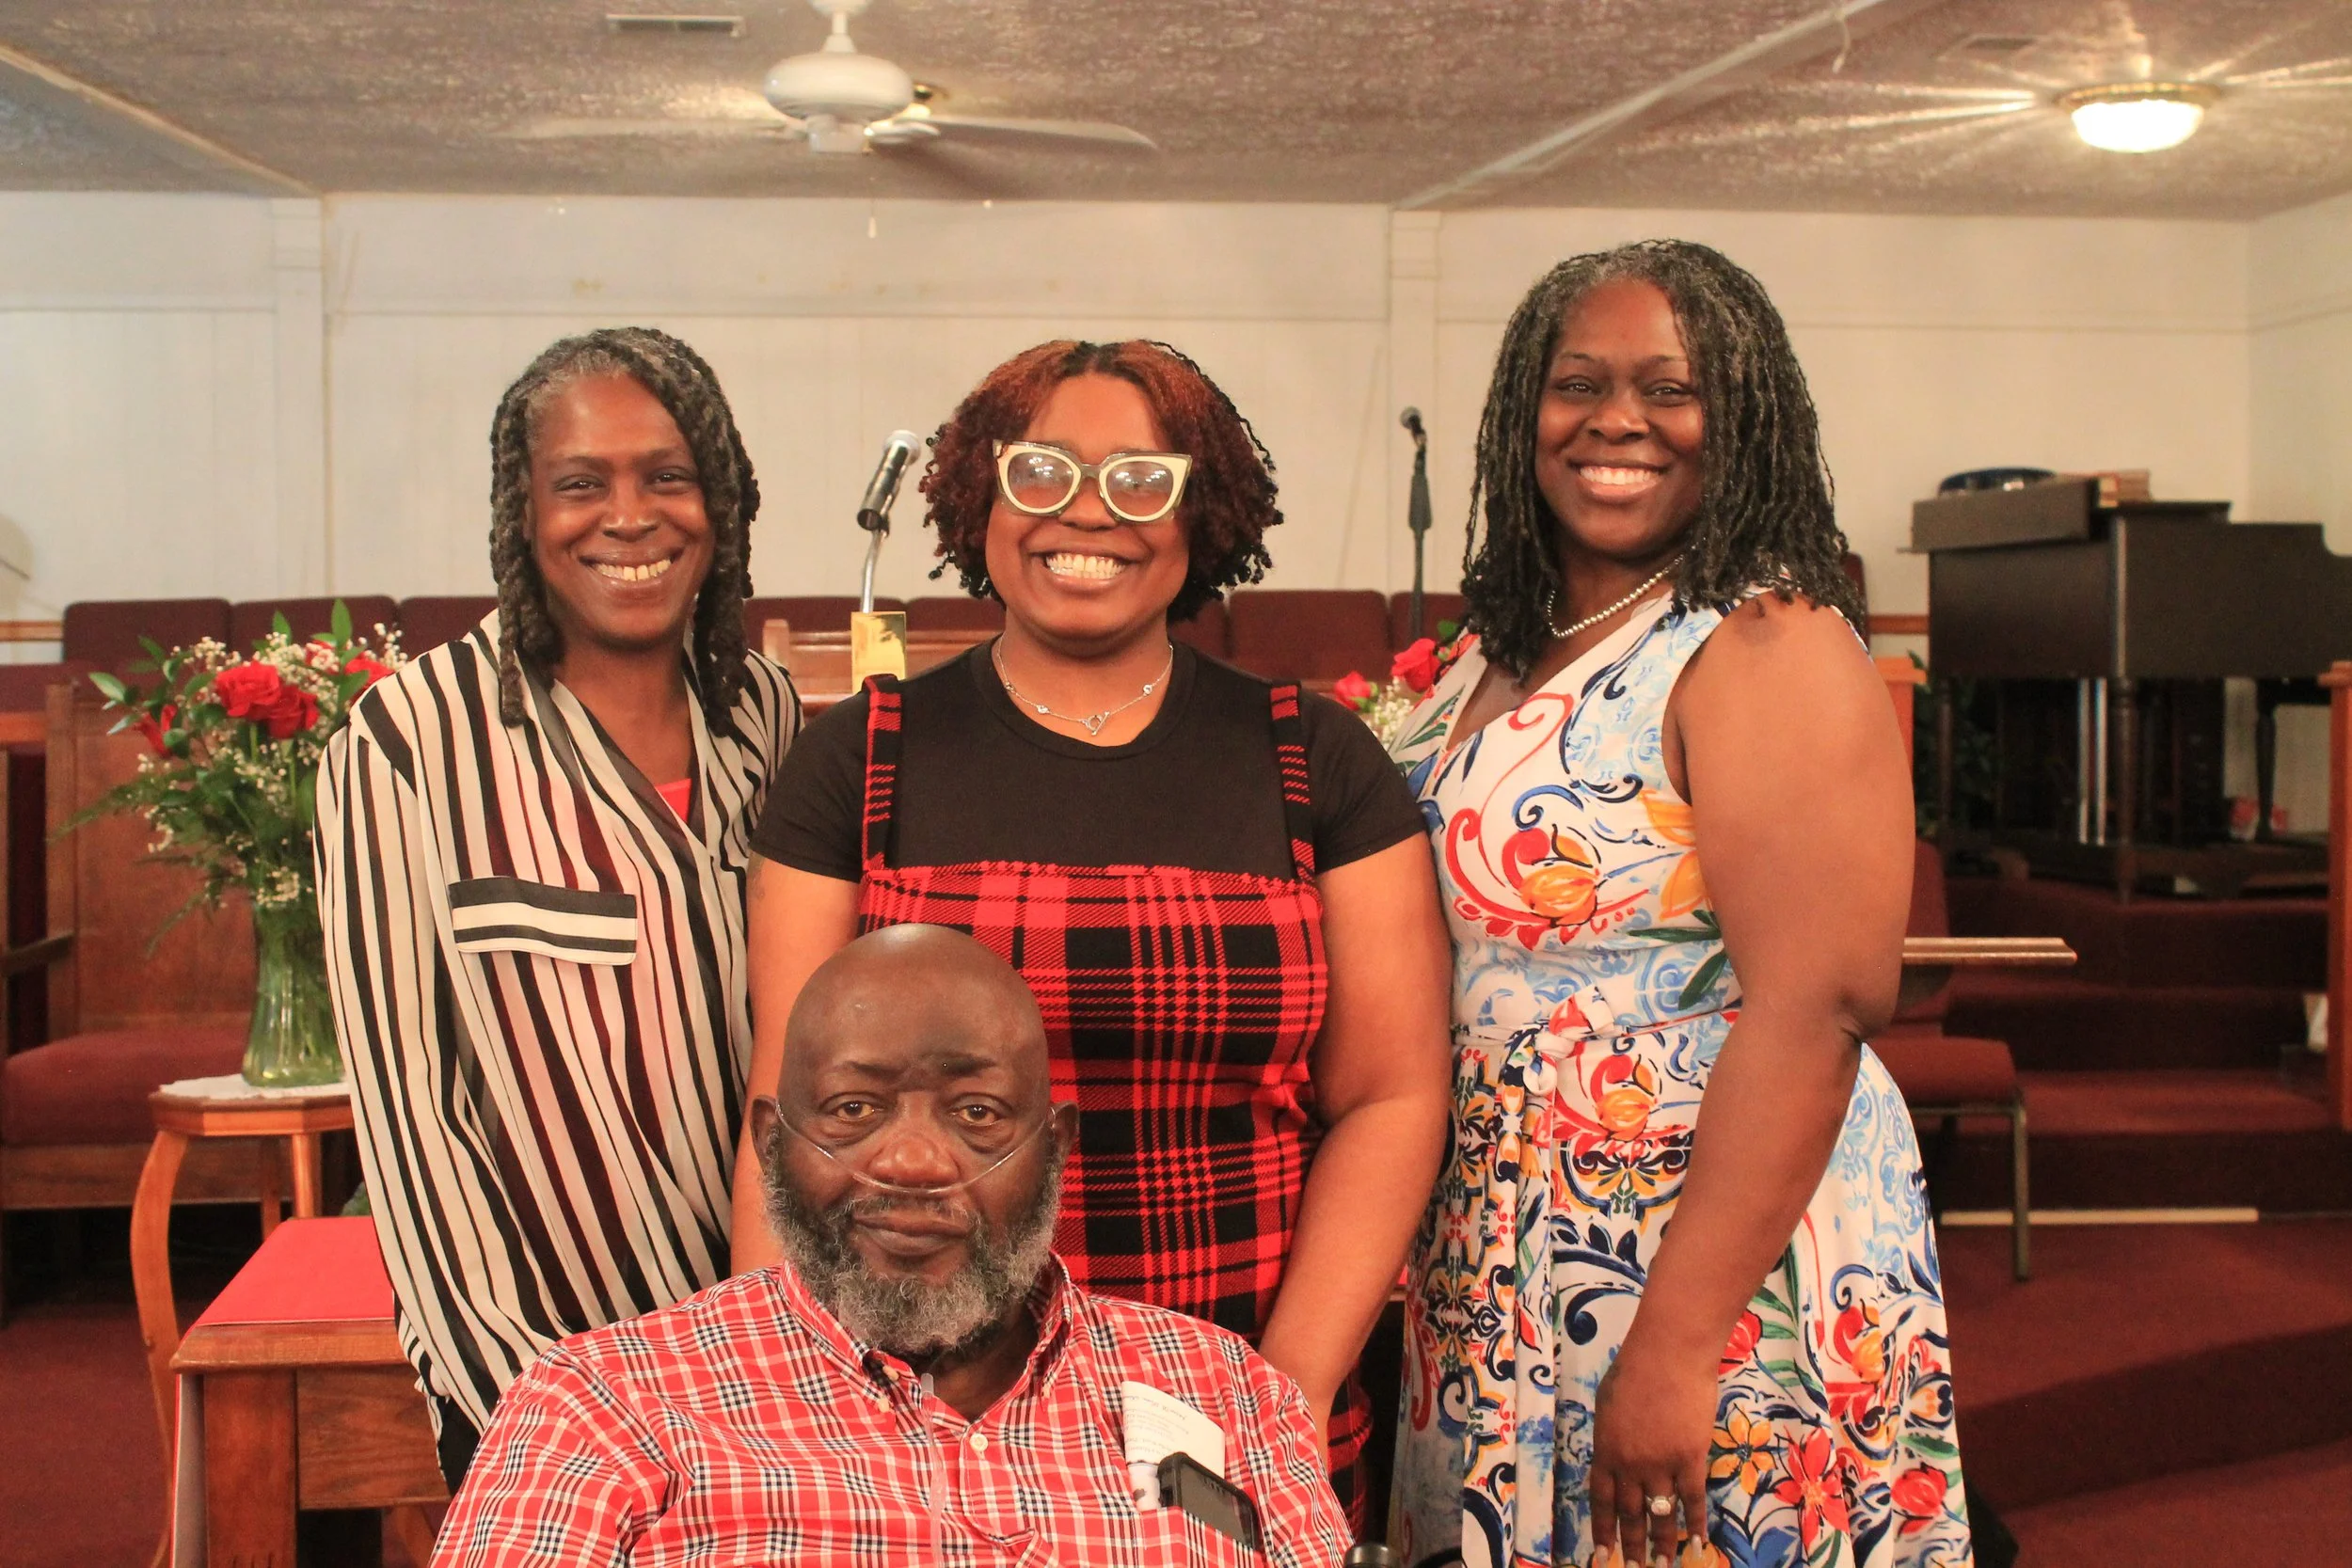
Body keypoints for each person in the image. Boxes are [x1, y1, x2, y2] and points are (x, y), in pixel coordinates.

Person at [739, 339, 1452, 1518]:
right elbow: (788, 1116)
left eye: (1139, 480)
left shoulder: (1314, 760)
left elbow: (1390, 1093)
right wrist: (791, 1414)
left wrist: (1283, 1394)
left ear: (1198, 510)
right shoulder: (857, 762)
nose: (1086, 513)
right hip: (915, 1401)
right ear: (981, 494)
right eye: (1042, 474)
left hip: (1233, 1378)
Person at [1386, 242, 1969, 1568]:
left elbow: (1816, 1009)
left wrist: (1674, 1347)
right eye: (1576, 383)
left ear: (1746, 414)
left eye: (1671, 388)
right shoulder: (1506, 637)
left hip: (1699, 1250)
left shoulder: (1763, 637)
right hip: (1505, 1235)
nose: (1617, 422)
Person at [436, 925, 1352, 1567]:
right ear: (769, 1144)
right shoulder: (604, 1405)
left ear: (1056, 1151)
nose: (912, 1159)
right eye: (854, 1108)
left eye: (977, 1111)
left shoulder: (1230, 1391)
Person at [316, 326, 799, 1490]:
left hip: (772, 1362)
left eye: (668, 476)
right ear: (522, 514)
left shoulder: (766, 717)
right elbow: (412, 1116)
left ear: (719, 501)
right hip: (543, 1375)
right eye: (580, 483)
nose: (627, 517)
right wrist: (529, 1404)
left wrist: (787, 1367)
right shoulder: (406, 743)